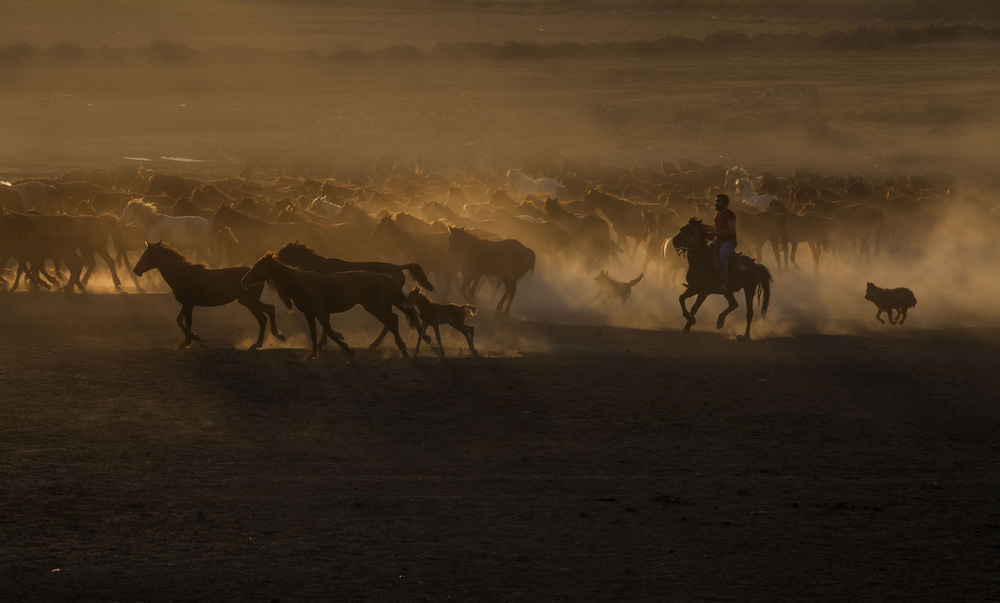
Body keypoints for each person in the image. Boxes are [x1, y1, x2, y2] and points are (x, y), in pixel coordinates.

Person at [712, 193, 737, 290]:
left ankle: (724, 282)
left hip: (729, 242)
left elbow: (731, 230)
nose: (716, 203)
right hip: (718, 241)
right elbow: (716, 229)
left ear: (725, 203)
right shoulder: (716, 215)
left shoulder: (730, 214)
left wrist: (716, 233)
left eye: (718, 201)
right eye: (715, 201)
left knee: (721, 256)